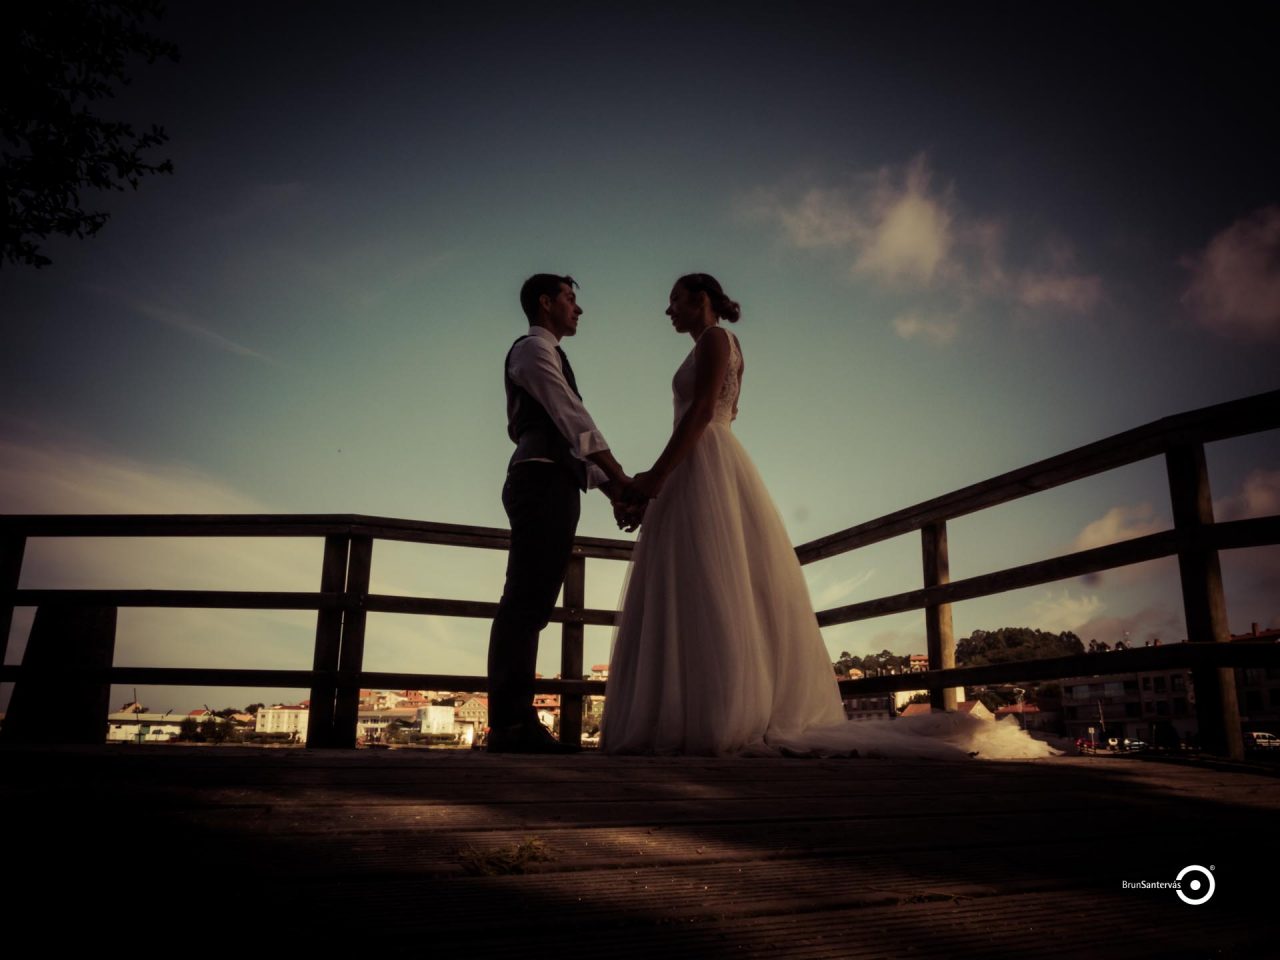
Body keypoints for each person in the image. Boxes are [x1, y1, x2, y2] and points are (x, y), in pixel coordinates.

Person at [600, 273, 1053, 760]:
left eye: (674, 301)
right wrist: (659, 479)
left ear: (701, 300)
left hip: (704, 456)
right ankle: (703, 711)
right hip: (706, 459)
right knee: (706, 583)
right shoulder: (723, 344)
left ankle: (708, 713)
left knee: (708, 582)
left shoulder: (714, 339)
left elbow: (705, 410)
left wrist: (654, 478)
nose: (668, 310)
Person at [488, 274, 631, 754]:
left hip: (555, 480)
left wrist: (610, 489)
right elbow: (572, 418)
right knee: (525, 603)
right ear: (545, 303)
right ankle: (509, 726)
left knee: (532, 605)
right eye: (572, 299)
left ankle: (513, 723)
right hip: (540, 480)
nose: (579, 308)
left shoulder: (549, 354)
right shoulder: (532, 350)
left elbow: (570, 430)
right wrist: (620, 482)